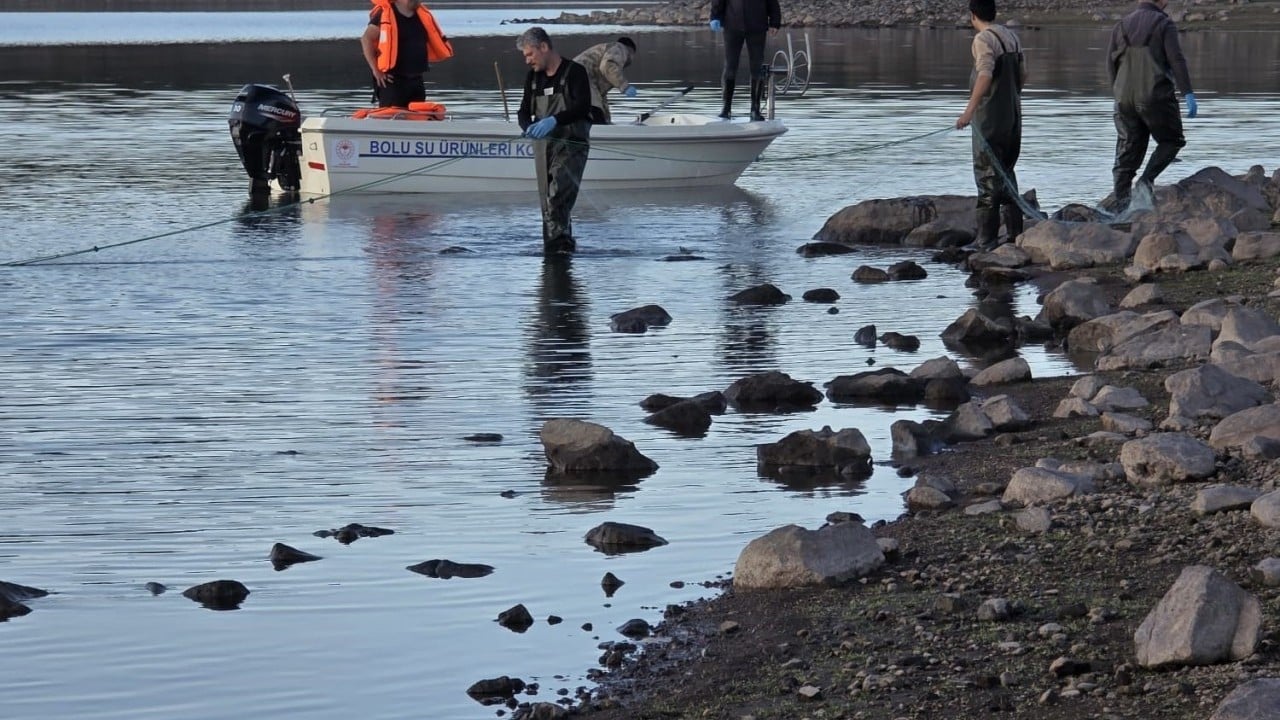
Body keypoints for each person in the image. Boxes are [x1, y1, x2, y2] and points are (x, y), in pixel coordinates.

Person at [1108, 0, 1196, 211]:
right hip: (1155, 96)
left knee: (1127, 152)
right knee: (1172, 140)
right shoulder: (1163, 24)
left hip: (1123, 98)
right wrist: (1188, 93)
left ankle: (1120, 210)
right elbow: (1176, 60)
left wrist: (1118, 93)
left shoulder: (1121, 25)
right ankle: (1145, 182)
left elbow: (1110, 64)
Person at [955, 0, 1027, 250]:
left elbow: (985, 74)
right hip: (1012, 120)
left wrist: (968, 112)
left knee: (987, 179)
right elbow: (1023, 76)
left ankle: (986, 241)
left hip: (989, 122)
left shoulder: (983, 40)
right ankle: (1016, 236)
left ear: (972, 15)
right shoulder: (1010, 36)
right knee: (1007, 174)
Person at [517, 27, 593, 256]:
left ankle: (557, 250)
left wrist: (554, 120)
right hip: (542, 147)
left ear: (544, 47)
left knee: (558, 196)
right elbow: (522, 111)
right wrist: (527, 127)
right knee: (546, 203)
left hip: (572, 144)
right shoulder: (533, 78)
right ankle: (559, 248)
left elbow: (583, 107)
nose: (528, 61)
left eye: (530, 54)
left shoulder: (575, 72)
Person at [361, 0, 453, 108]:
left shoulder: (422, 15)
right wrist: (376, 70)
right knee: (392, 119)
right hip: (392, 80)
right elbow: (366, 39)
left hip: (416, 80)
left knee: (417, 120)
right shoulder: (384, 13)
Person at [709, 0, 781, 122]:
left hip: (757, 27)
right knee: (730, 66)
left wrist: (775, 22)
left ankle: (755, 109)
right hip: (732, 26)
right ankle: (726, 109)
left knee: (757, 68)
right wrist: (715, 16)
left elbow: (772, 3)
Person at [572, 37, 639, 124]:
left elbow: (600, 97)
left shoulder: (604, 52)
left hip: (572, 78)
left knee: (596, 113)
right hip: (581, 77)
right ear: (631, 51)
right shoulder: (620, 48)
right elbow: (608, 66)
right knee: (596, 111)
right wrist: (624, 86)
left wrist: (607, 121)